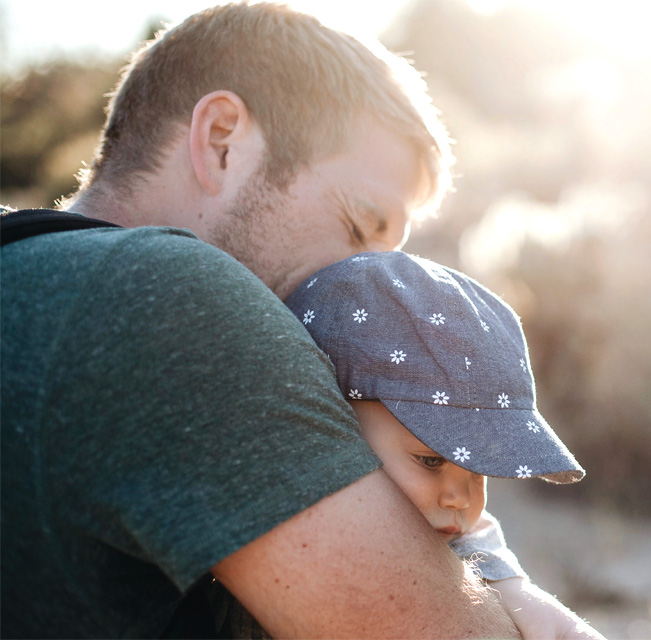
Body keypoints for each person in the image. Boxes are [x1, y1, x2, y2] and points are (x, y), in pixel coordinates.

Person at [0, 3, 562, 637]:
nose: (374, 290)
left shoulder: (28, 271)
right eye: (357, 228)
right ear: (221, 141)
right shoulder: (176, 298)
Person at [213, 251, 604, 639]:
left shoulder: (448, 530)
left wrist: (514, 590)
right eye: (431, 460)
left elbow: (481, 544)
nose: (460, 499)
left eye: (479, 470)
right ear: (333, 420)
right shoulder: (262, 499)